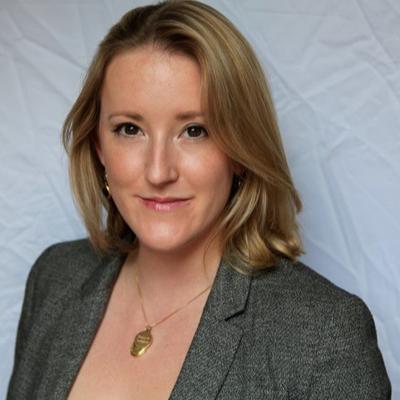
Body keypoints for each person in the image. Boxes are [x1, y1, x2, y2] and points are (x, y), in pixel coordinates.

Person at [7, 1, 391, 399]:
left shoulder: (324, 336)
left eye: (194, 131)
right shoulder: (55, 278)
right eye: (130, 129)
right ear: (99, 146)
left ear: (241, 150)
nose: (159, 172)